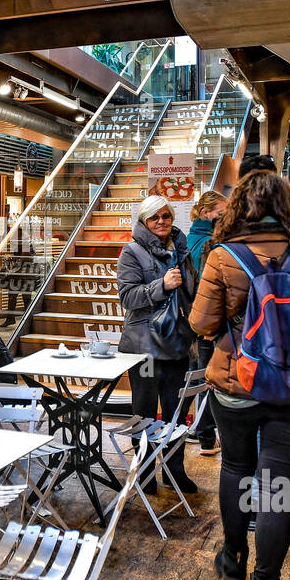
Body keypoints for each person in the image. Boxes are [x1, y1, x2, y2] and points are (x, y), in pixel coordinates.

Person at [189, 170, 290, 580]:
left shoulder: (223, 255)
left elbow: (201, 324)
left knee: (235, 468)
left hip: (237, 384)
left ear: (239, 206)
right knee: (278, 485)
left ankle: (232, 559)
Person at [117, 195, 198, 492]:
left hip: (177, 345)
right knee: (145, 413)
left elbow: (191, 291)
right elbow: (128, 298)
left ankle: (175, 471)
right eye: (155, 218)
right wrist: (161, 285)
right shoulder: (132, 252)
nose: (161, 222)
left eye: (166, 216)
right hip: (145, 350)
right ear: (144, 221)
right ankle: (146, 473)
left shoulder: (181, 249)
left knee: (176, 414)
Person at [186, 190, 228, 456]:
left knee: (198, 377)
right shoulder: (209, 243)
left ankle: (203, 436)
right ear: (206, 214)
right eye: (220, 213)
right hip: (206, 324)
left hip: (190, 321)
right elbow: (208, 290)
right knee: (209, 379)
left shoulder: (188, 237)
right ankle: (207, 437)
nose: (225, 218)